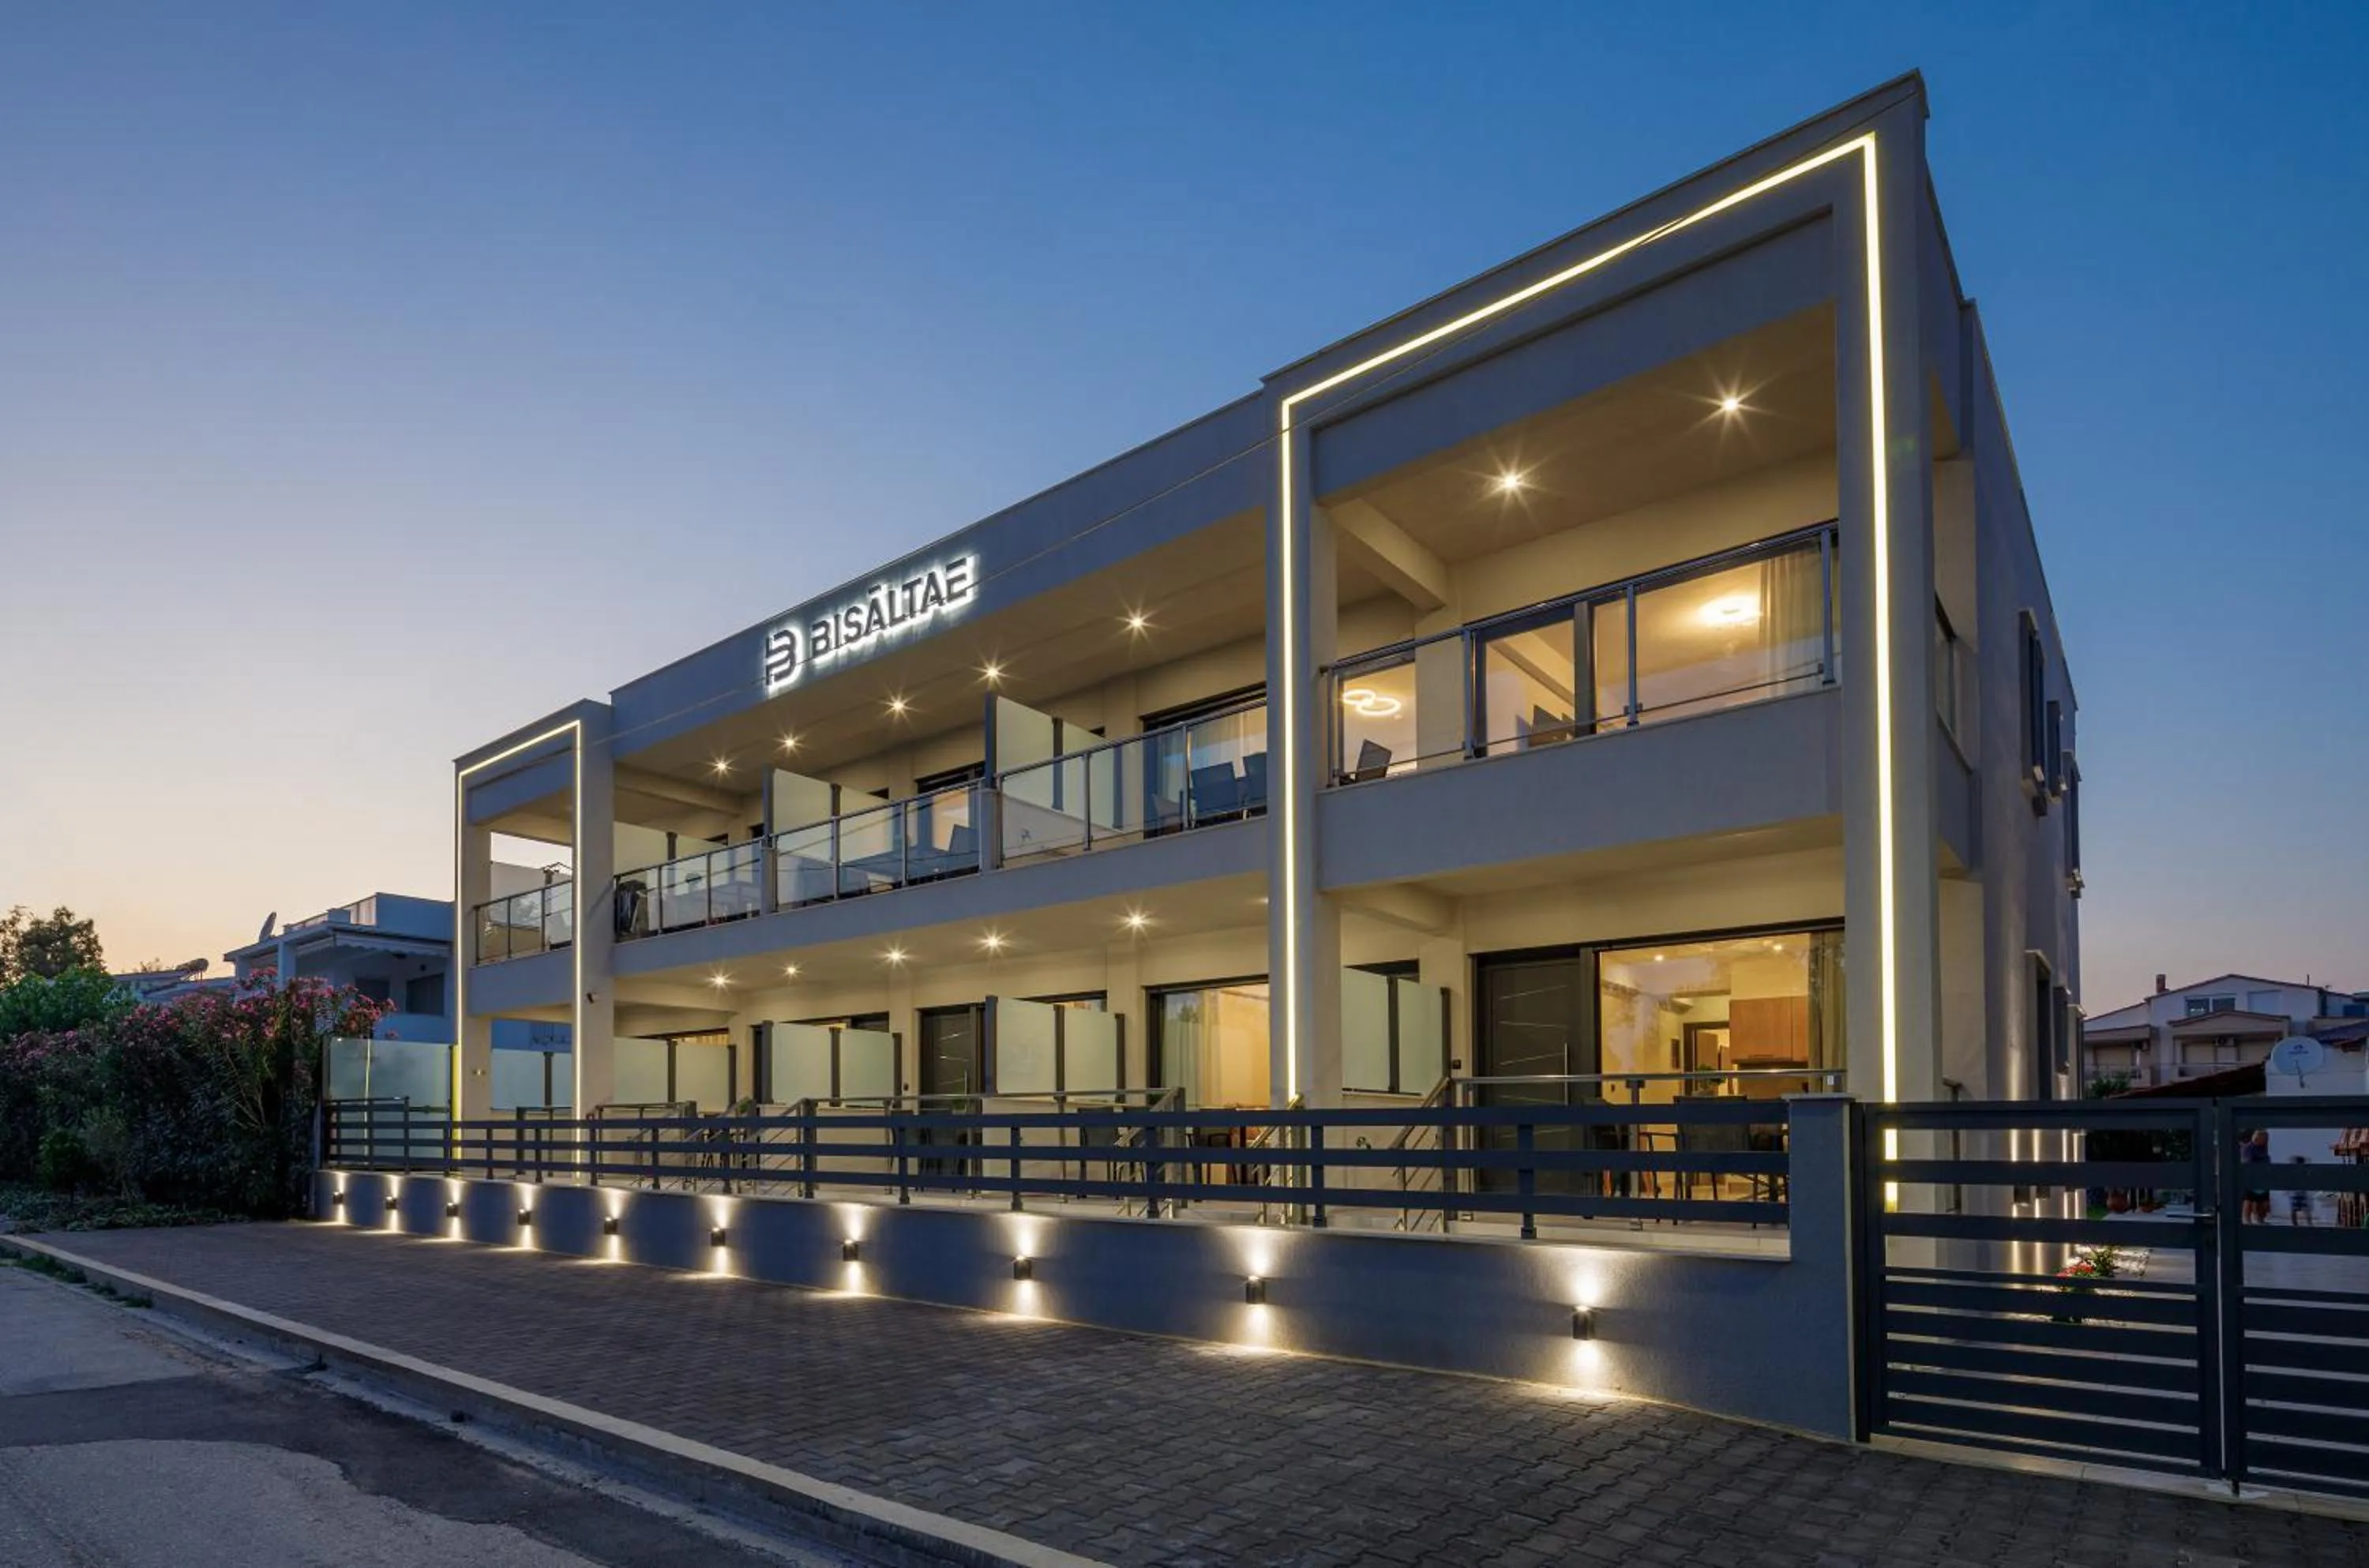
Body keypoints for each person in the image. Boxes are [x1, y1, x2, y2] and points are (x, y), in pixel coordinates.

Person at [2239, 1127, 2271, 1223]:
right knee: (2249, 1200)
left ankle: (2260, 1219)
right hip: (2252, 1178)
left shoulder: (2263, 1149)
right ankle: (2247, 1220)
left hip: (2263, 1179)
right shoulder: (2248, 1148)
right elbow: (2247, 1162)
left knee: (2263, 1202)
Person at [2288, 1155, 2318, 1225]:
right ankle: (2308, 1224)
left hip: (2297, 1193)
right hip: (2298, 1193)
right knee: (2303, 1210)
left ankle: (2298, 1225)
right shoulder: (2302, 1170)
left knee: (2297, 1210)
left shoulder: (2297, 1171)